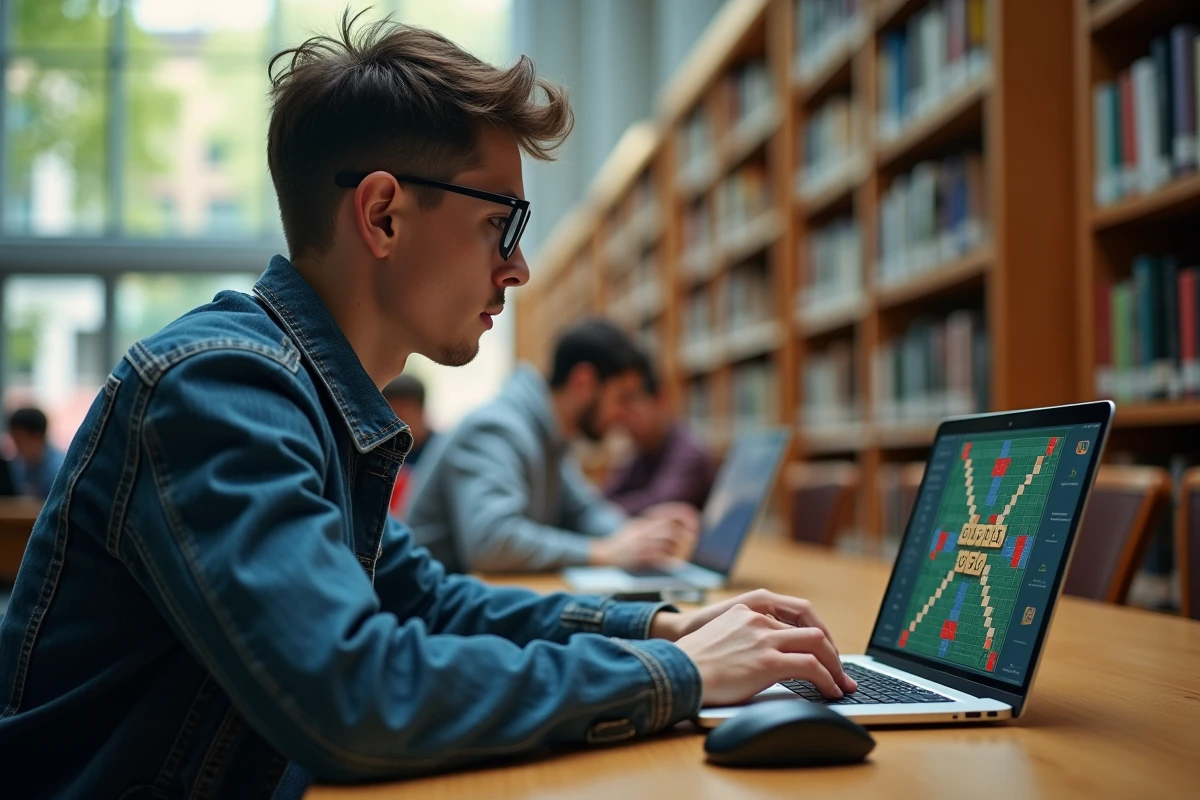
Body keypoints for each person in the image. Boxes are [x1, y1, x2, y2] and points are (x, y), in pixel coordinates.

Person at [0, 15, 854, 798]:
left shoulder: (317, 404)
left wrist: (665, 627)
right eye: (504, 224)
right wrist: (681, 676)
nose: (519, 269)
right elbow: (352, 694)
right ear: (382, 215)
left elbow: (433, 604)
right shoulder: (220, 388)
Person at [405, 319, 700, 573]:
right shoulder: (498, 428)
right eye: (621, 398)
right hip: (428, 611)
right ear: (583, 382)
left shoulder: (549, 437)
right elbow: (491, 542)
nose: (624, 415)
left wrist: (638, 535)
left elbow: (582, 511)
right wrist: (602, 553)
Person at [605, 356, 715, 515]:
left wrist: (593, 513)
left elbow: (658, 503)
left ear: (660, 401)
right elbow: (606, 496)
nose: (622, 415)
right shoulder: (643, 453)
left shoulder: (688, 452)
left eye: (631, 401)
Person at [382, 373, 436, 515]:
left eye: (402, 412)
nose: (396, 422)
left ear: (421, 410)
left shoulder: (439, 450)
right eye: (391, 414)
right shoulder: (381, 454)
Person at [5, 407, 65, 501]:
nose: (17, 447)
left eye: (19, 440)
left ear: (37, 436)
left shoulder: (60, 468)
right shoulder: (17, 466)